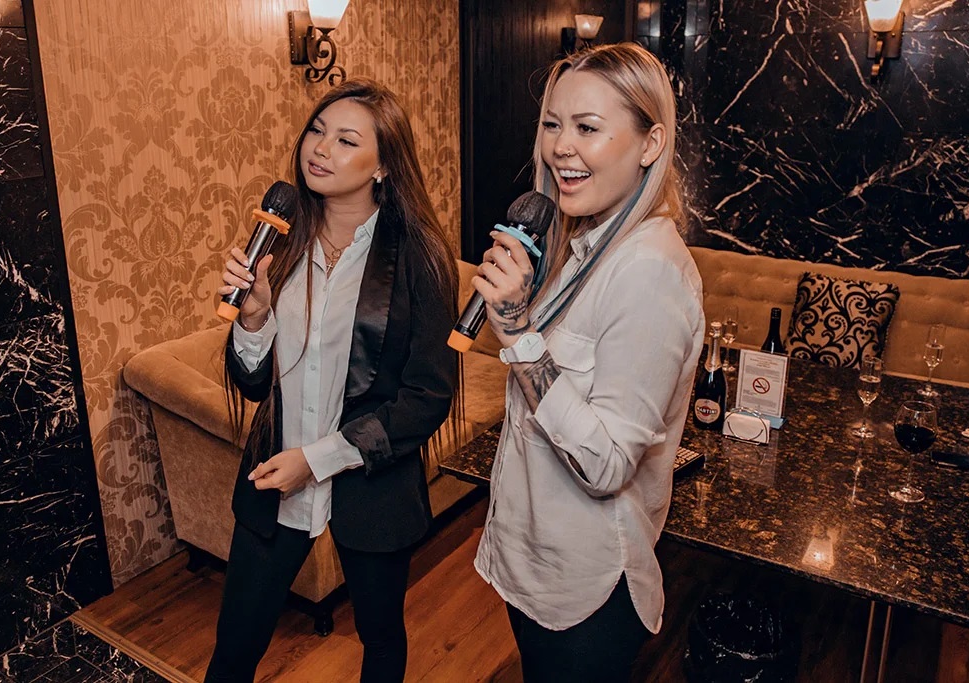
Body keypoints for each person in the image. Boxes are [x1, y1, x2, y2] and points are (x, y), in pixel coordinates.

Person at [207, 78, 459, 683]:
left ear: (384, 165)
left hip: (373, 488)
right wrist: (254, 317)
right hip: (273, 478)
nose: (321, 148)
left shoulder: (420, 257)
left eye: (347, 140)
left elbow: (427, 398)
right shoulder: (280, 241)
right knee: (234, 649)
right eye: (317, 130)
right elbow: (253, 384)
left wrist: (317, 461)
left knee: (381, 640)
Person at [471, 43, 706, 682]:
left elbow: (605, 465)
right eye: (553, 124)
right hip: (533, 564)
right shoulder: (580, 245)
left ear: (650, 143)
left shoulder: (648, 273)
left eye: (588, 128)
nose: (561, 148)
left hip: (587, 591)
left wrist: (518, 332)